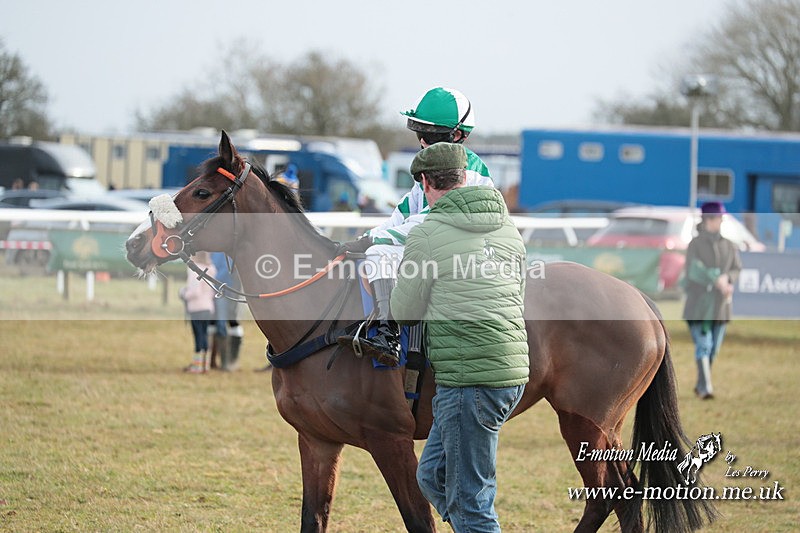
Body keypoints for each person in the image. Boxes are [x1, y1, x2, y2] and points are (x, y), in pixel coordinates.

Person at [390, 142, 529, 531]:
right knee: (431, 476)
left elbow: (405, 311)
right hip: (510, 373)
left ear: (424, 183)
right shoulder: (507, 226)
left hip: (469, 380)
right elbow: (517, 292)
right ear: (464, 177)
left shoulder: (428, 232)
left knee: (471, 502)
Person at [336, 87, 493, 366]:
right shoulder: (429, 168)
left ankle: (388, 335)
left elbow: (431, 220)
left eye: (430, 135)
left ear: (458, 135)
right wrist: (363, 238)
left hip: (464, 250)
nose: (422, 140)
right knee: (371, 252)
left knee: (378, 255)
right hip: (438, 244)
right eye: (419, 131)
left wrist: (372, 243)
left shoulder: (466, 171)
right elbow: (402, 216)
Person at [682, 201, 742, 399]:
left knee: (713, 349)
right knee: (704, 345)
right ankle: (706, 388)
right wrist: (715, 279)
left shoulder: (729, 245)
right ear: (707, 219)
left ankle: (700, 386)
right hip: (698, 306)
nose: (720, 222)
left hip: (721, 307)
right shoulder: (695, 244)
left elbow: (736, 268)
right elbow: (693, 270)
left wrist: (728, 279)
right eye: (717, 218)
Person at [179, 251, 217, 374]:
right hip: (208, 307)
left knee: (198, 336)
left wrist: (183, 293)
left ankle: (197, 365)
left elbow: (194, 292)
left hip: (197, 307)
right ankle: (205, 365)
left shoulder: (195, 270)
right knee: (205, 335)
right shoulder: (211, 269)